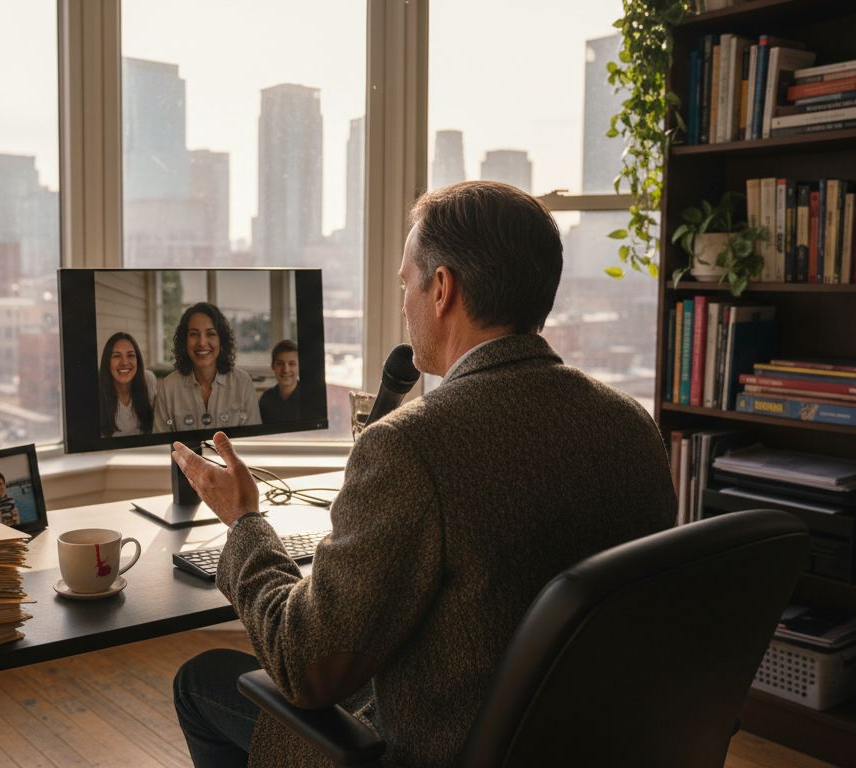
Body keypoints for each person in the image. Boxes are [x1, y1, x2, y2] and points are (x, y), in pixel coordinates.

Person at [169, 181, 677, 768]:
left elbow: (304, 664)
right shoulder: (632, 425)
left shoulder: (411, 445)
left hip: (433, 747)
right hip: (581, 742)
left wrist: (244, 521)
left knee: (200, 681)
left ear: (442, 289)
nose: (402, 302)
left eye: (405, 283)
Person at [153, 302, 262, 433]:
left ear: (221, 340)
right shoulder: (168, 387)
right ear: (184, 341)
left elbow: (251, 440)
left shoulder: (243, 383)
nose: (202, 342)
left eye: (210, 334)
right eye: (194, 334)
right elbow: (162, 445)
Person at [98, 331, 158, 437]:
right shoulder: (97, 388)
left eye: (130, 355)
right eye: (117, 356)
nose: (124, 362)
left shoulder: (148, 380)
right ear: (107, 362)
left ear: (137, 360)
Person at [257, 340, 300, 424]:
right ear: (273, 366)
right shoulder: (266, 399)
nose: (286, 370)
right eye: (280, 363)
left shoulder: (310, 398)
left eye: (292, 364)